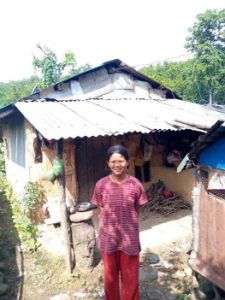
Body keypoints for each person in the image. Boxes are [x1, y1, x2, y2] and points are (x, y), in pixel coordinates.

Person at [91, 144, 148, 300]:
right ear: (108, 163)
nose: (117, 165)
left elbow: (137, 209)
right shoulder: (101, 185)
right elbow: (100, 209)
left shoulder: (136, 185)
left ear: (127, 162)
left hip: (129, 238)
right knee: (110, 278)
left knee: (130, 277)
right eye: (113, 162)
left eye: (121, 161)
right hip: (108, 238)